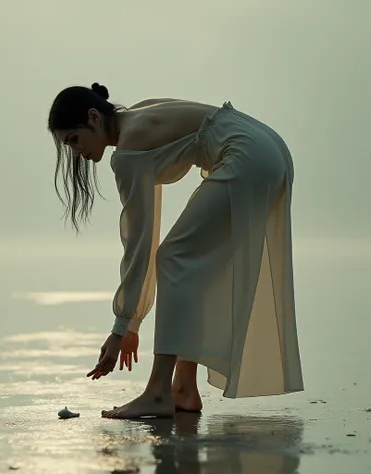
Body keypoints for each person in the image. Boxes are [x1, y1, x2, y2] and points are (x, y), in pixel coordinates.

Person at [47, 82, 304, 419]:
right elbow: (146, 234)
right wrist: (132, 323)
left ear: (93, 118)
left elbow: (139, 244)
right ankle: (182, 387)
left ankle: (157, 392)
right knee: (187, 262)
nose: (76, 153)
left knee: (173, 257)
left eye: (74, 140)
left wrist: (121, 327)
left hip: (248, 155)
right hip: (267, 148)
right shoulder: (134, 121)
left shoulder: (128, 150)